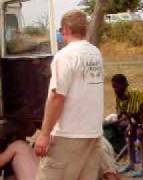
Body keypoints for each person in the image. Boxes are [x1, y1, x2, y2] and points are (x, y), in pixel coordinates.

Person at [34, 10, 106, 180]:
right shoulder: (95, 53)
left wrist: (44, 134)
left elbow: (57, 97)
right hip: (92, 134)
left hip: (68, 135)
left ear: (65, 28)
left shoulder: (64, 56)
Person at [111, 74, 143, 178]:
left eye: (116, 86)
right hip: (135, 119)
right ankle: (131, 164)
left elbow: (135, 114)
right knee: (129, 134)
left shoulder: (133, 95)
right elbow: (121, 114)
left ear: (124, 85)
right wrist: (121, 122)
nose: (115, 89)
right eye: (113, 87)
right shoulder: (119, 97)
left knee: (139, 134)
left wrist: (129, 124)